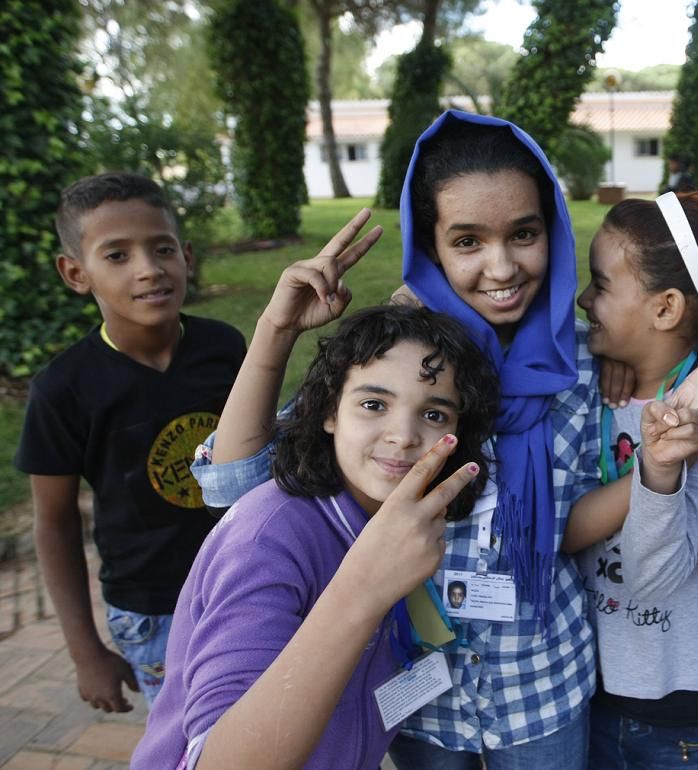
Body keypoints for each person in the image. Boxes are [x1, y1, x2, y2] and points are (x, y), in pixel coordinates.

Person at [188, 111, 603, 768]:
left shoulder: (587, 363)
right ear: (432, 244)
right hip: (418, 694)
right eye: (467, 241)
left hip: (542, 685)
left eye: (524, 234)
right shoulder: (403, 354)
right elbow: (237, 483)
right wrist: (275, 330)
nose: (501, 267)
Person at [132, 304, 496, 769]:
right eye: (373, 404)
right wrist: (364, 589)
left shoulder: (392, 519)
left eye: (434, 413)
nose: (404, 435)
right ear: (328, 411)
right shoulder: (267, 538)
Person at [14, 172, 246, 714]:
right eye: (116, 255)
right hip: (153, 610)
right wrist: (85, 651)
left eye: (161, 248)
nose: (148, 269)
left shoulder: (224, 348)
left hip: (244, 580)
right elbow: (55, 524)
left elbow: (258, 459)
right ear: (76, 272)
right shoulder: (63, 389)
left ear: (185, 256)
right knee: (191, 742)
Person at [566, 192, 698, 769]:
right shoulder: (585, 374)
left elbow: (655, 576)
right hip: (582, 682)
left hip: (672, 704)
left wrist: (666, 461)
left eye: (600, 284)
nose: (582, 300)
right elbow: (554, 531)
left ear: (666, 307)